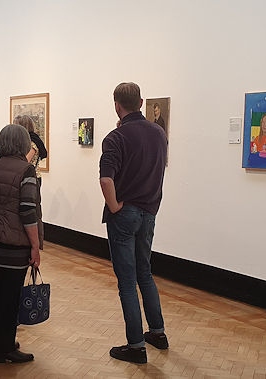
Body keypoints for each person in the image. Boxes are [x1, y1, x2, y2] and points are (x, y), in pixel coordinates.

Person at [99, 82, 168, 364]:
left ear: (117, 105)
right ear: (141, 102)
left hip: (125, 214)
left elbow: (106, 179)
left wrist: (115, 206)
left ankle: (136, 345)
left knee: (127, 282)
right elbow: (160, 169)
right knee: (145, 273)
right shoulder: (159, 133)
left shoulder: (115, 138)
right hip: (149, 212)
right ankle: (158, 333)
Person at [0, 124, 42, 364]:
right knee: (11, 298)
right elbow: (27, 211)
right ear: (23, 143)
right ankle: (6, 350)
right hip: (15, 245)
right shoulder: (26, 171)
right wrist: (35, 246)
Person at [13, 115, 44, 250]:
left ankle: (34, 242)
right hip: (26, 178)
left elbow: (24, 162)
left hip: (32, 179)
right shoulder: (28, 143)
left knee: (32, 210)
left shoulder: (33, 144)